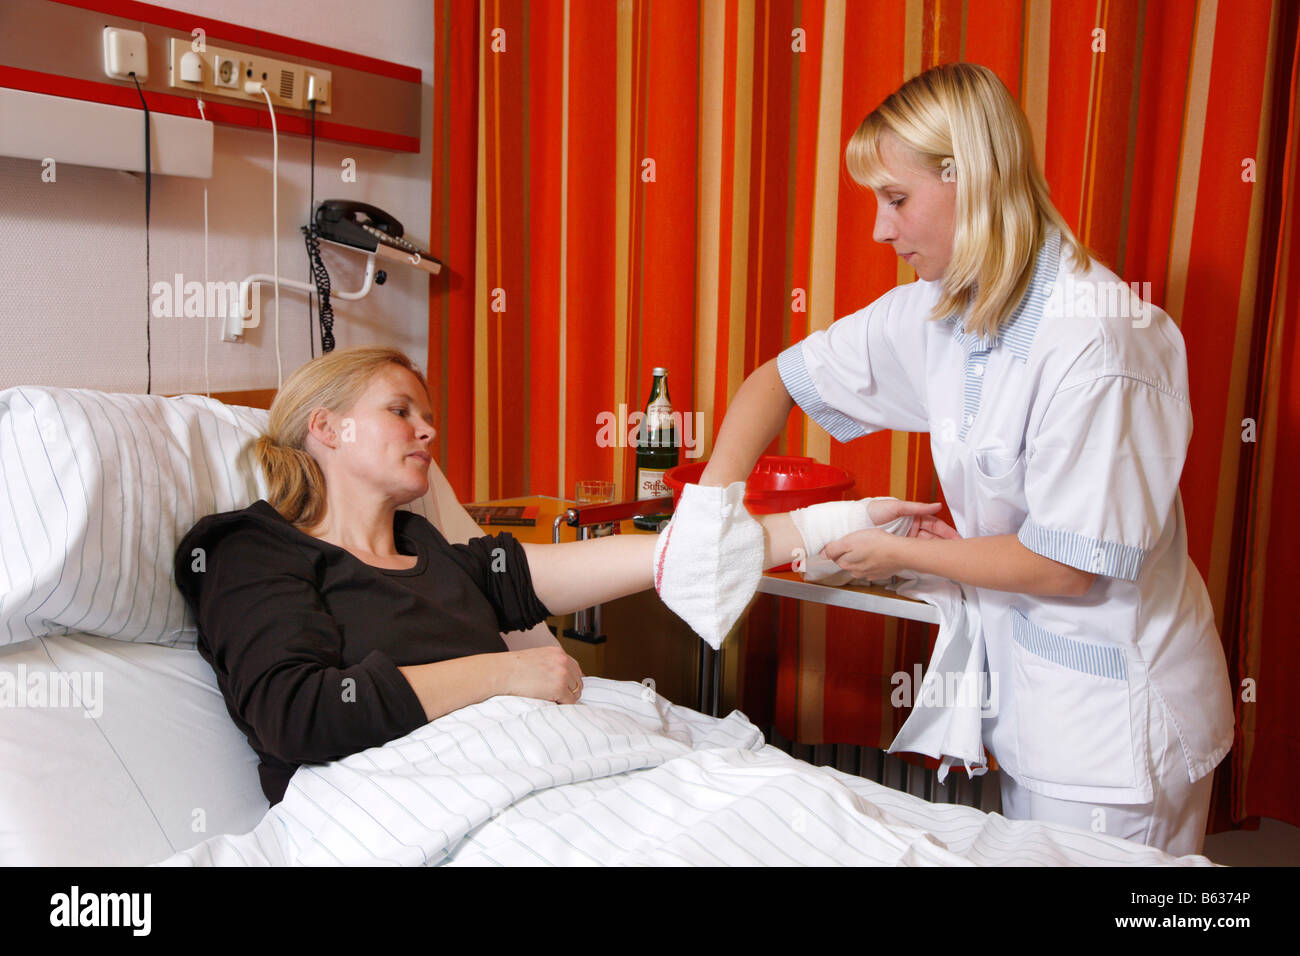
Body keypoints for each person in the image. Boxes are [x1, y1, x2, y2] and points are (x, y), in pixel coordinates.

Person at [697, 63, 1234, 858]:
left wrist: (899, 552)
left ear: (972, 180)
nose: (880, 230)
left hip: (1116, 728)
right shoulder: (942, 308)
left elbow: (1070, 567)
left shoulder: (1102, 340)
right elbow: (779, 379)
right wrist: (712, 508)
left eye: (897, 198)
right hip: (1037, 702)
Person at [175, 345, 949, 807]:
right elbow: (296, 715)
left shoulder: (437, 552)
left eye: (428, 415)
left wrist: (841, 523)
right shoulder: (251, 549)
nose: (429, 429)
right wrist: (502, 676)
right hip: (412, 800)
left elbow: (666, 556)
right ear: (326, 427)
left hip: (547, 773)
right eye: (401, 410)